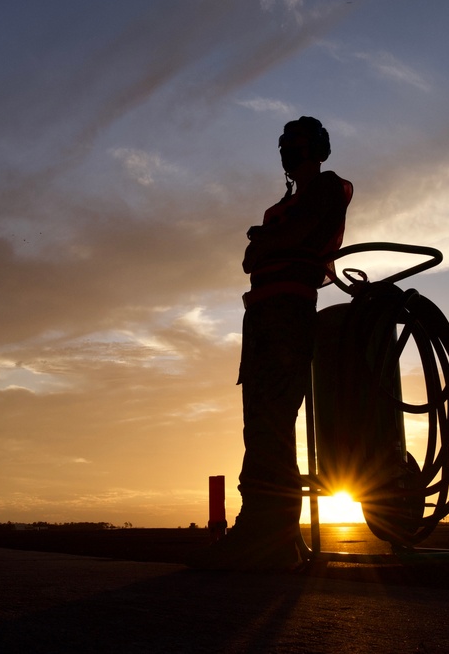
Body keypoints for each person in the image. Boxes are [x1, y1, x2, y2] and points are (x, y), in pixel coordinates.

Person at [191, 116, 353, 571]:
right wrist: (264, 242)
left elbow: (291, 238)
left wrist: (266, 242)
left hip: (288, 313)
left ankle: (269, 531)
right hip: (261, 318)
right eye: (285, 146)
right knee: (260, 424)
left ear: (317, 149)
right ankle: (269, 530)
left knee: (273, 422)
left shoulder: (329, 189)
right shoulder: (281, 208)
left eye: (298, 145)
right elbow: (251, 259)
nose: (290, 153)